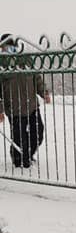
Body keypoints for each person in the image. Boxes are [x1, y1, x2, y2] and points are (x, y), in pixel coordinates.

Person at [0, 33, 51, 168]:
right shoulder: (1, 64)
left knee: (38, 133)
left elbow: (37, 79)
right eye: (4, 47)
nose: (7, 50)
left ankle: (27, 155)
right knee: (19, 138)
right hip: (14, 109)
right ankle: (19, 161)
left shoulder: (26, 60)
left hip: (32, 106)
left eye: (9, 46)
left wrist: (44, 93)